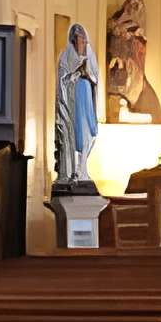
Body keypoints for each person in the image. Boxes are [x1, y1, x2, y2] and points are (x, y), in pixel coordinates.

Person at [54, 21, 101, 193]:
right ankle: (72, 172)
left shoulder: (90, 55)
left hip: (86, 96)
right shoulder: (65, 56)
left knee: (88, 133)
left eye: (82, 40)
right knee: (72, 135)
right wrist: (76, 73)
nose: (80, 43)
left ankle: (82, 171)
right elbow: (62, 80)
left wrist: (86, 73)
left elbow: (96, 78)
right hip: (71, 101)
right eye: (77, 40)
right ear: (72, 41)